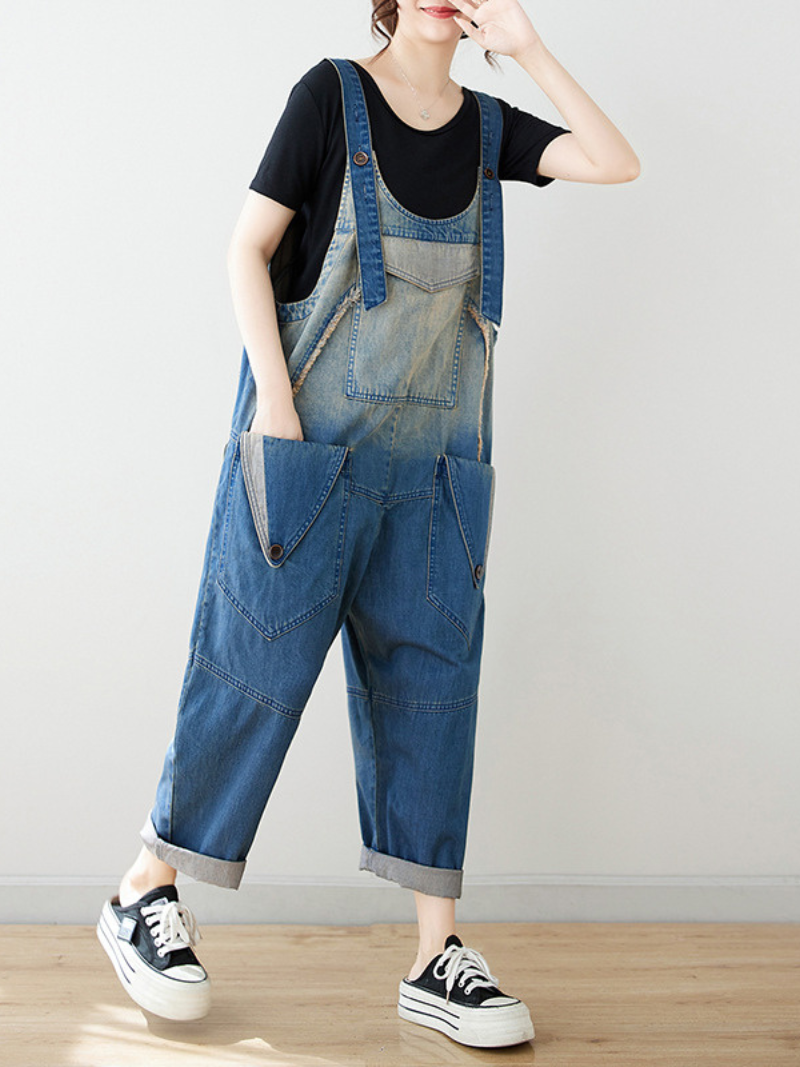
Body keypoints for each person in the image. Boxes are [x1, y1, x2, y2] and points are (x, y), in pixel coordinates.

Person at [96, 0, 639, 1049]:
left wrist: (527, 50)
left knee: (433, 699)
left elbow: (615, 162)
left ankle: (436, 955)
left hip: (434, 479)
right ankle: (144, 887)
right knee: (250, 676)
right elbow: (246, 249)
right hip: (308, 453)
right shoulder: (328, 97)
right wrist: (275, 405)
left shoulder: (489, 129)